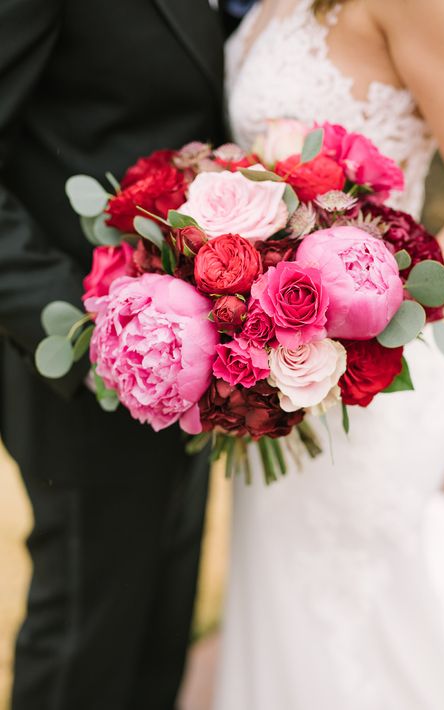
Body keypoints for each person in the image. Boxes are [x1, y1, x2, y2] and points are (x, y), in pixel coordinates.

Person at [215, 0, 444, 707]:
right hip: (276, 389)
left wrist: (362, 323)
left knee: (363, 621)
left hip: (372, 385)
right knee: (284, 611)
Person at [0, 1, 224, 709]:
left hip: (209, 358)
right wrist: (92, 341)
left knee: (159, 623)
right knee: (85, 643)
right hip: (85, 353)